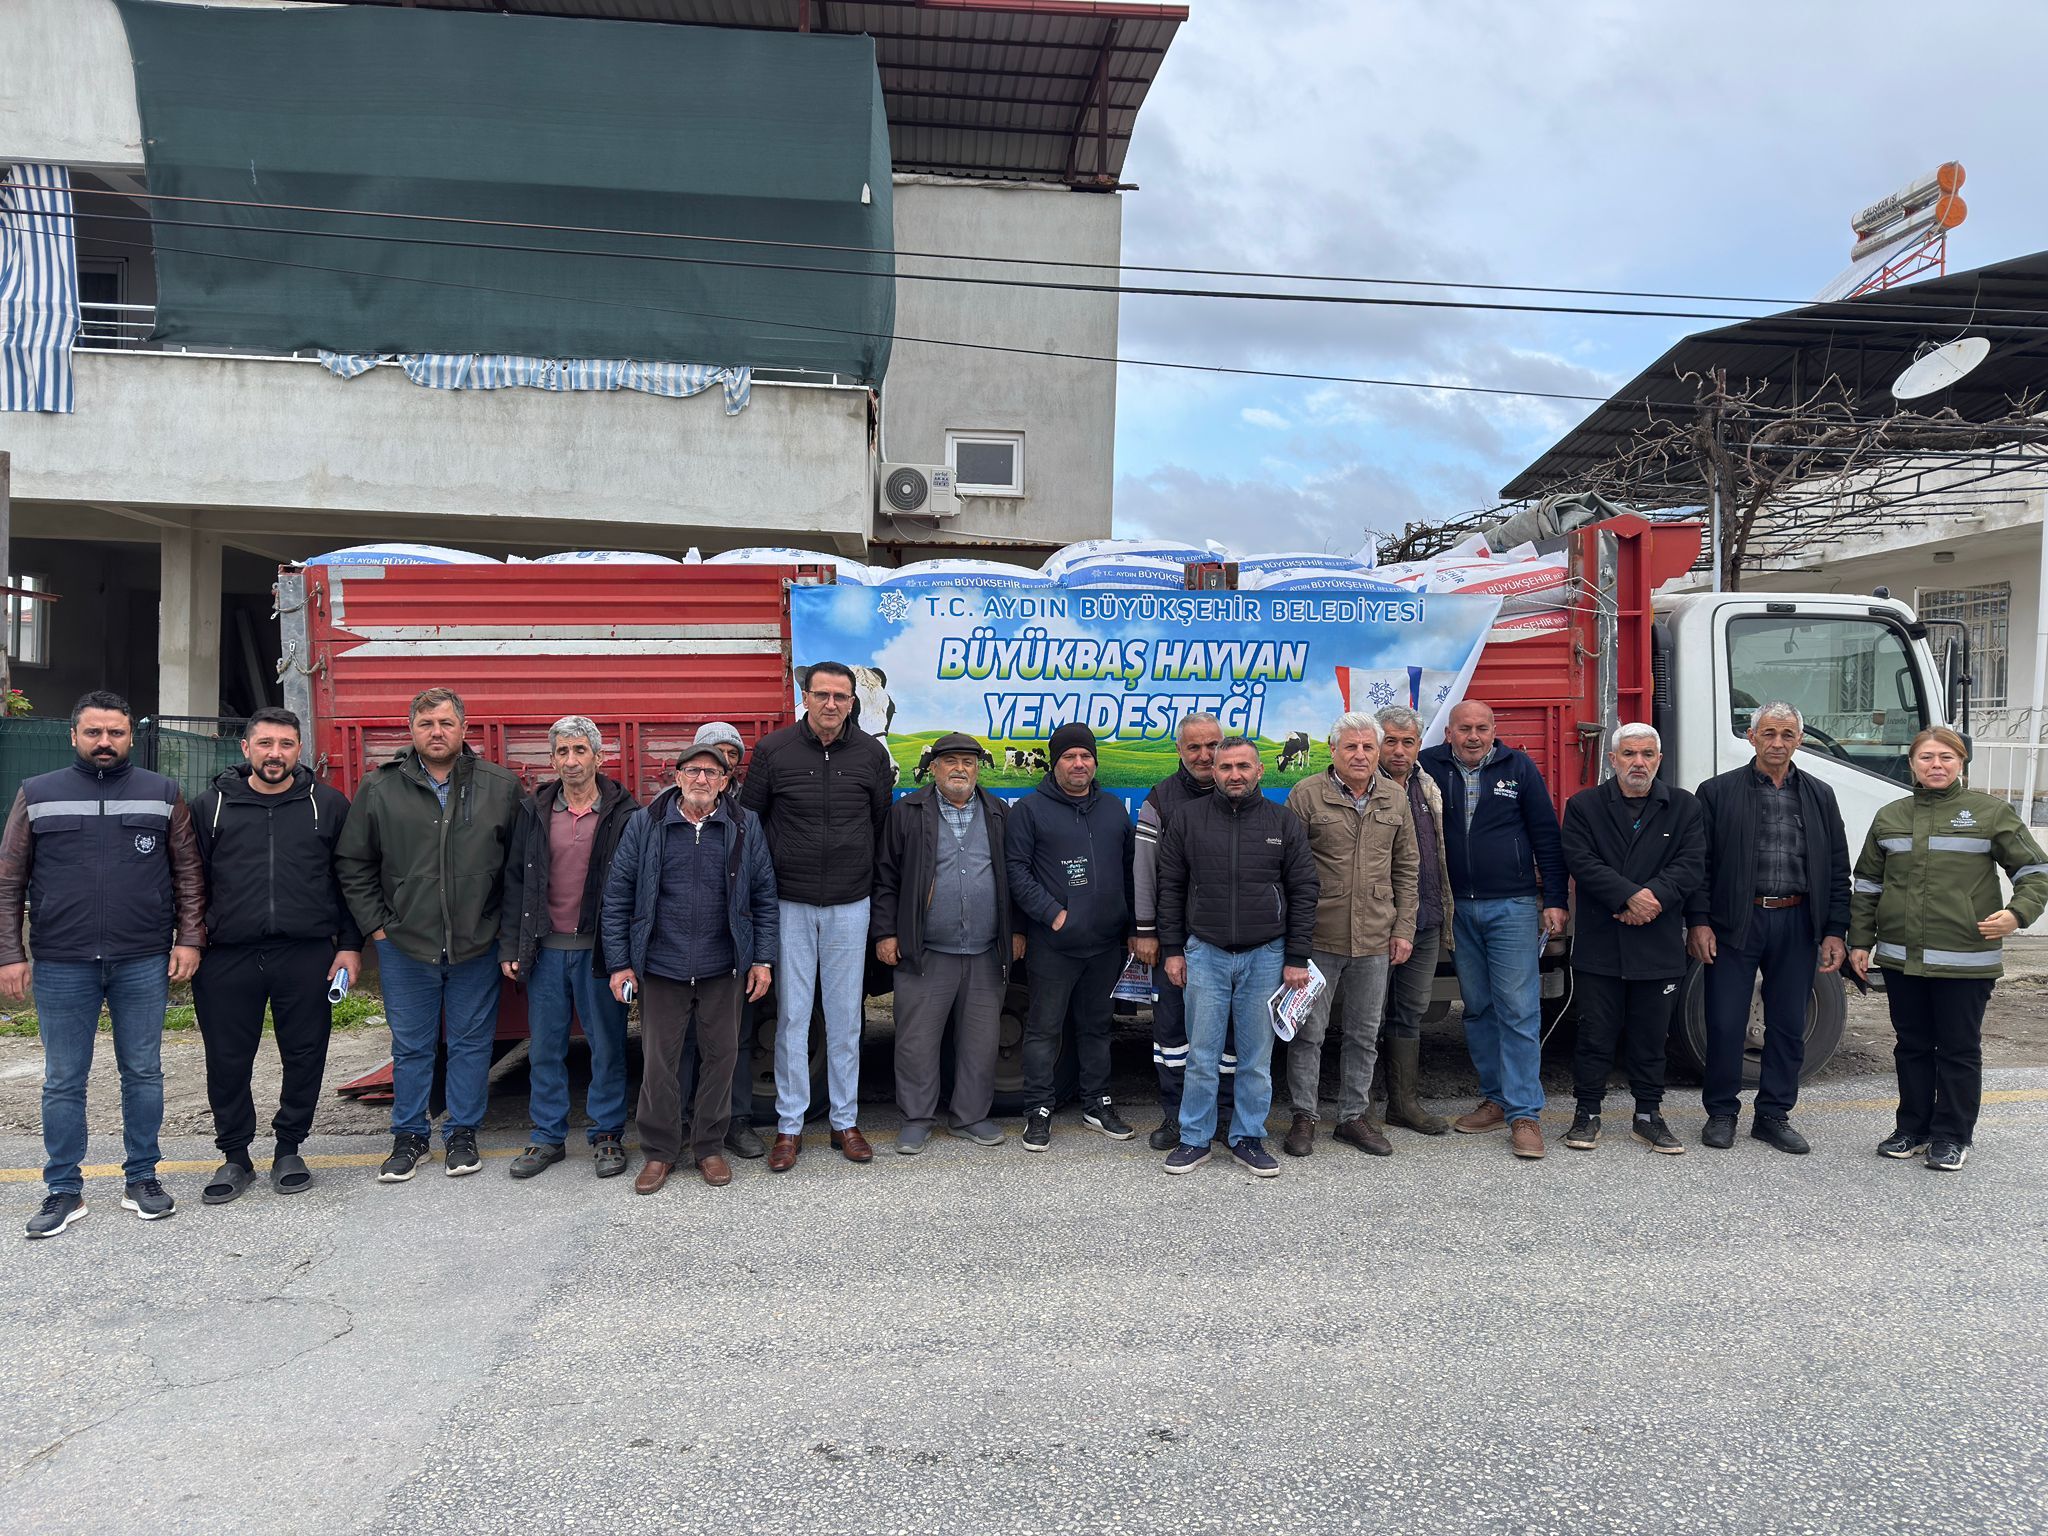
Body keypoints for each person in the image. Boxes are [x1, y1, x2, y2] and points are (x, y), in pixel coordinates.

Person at [0, 690, 205, 1238]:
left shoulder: (161, 793)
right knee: (64, 1079)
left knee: (143, 1071)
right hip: (63, 962)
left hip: (141, 958)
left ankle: (143, 1179)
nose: (104, 742)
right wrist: (9, 953)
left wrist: (189, 939)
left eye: (114, 732)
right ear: (74, 736)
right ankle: (63, 1189)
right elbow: (8, 880)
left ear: (129, 736)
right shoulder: (37, 794)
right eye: (93, 733)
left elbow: (188, 874)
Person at [335, 686, 521, 1183]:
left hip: (475, 944)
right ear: (411, 730)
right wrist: (377, 928)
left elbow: (519, 869)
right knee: (412, 1046)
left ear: (464, 728)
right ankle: (409, 1136)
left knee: (470, 1043)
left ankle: (462, 1133)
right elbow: (354, 862)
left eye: (445, 723)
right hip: (405, 944)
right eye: (425, 724)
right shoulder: (380, 787)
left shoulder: (499, 786)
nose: (436, 732)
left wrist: (503, 929)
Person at [1848, 726, 2048, 1172]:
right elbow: (1867, 886)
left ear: (1961, 763)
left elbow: (2035, 871)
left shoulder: (1990, 813)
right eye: (1926, 758)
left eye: (1945, 757)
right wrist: (1859, 942)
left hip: (1965, 959)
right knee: (1912, 1046)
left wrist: (2018, 914)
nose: (1935, 765)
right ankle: (1912, 1129)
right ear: (1912, 764)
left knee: (1958, 1049)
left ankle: (1952, 1136)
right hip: (1901, 958)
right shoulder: (1890, 816)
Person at [190, 707, 361, 1203]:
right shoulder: (210, 807)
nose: (275, 754)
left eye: (286, 744)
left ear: (299, 749)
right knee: (227, 1059)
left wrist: (350, 945)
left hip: (305, 953)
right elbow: (189, 881)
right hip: (226, 956)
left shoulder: (327, 805)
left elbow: (347, 882)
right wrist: (189, 941)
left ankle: (289, 1147)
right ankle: (235, 1157)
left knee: (305, 1054)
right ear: (245, 748)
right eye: (264, 744)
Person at [603, 741, 777, 1193]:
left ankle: (708, 1147)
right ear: (677, 777)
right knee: (659, 1063)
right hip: (662, 966)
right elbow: (618, 895)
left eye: (711, 773)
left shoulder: (743, 825)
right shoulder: (646, 824)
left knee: (721, 1059)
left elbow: (763, 896)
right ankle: (660, 1152)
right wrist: (621, 963)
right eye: (693, 771)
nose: (702, 779)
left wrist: (762, 958)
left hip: (724, 966)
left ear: (724, 782)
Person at [740, 662, 892, 1171]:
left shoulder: (871, 754)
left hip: (851, 903)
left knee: (847, 1019)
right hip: (789, 903)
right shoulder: (773, 751)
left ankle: (845, 1122)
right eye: (822, 694)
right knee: (792, 1019)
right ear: (804, 696)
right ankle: (789, 1127)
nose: (831, 704)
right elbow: (751, 823)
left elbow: (879, 824)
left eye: (841, 696)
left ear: (853, 703)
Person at [1687, 702, 1850, 1154]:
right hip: (1736, 922)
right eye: (1769, 733)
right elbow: (1699, 865)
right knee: (1724, 1021)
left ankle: (1774, 1115)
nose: (1778, 742)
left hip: (1799, 922)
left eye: (1787, 734)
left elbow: (1838, 867)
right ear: (1752, 736)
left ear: (1799, 740)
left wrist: (1835, 929)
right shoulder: (1717, 792)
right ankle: (1721, 1112)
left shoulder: (1819, 795)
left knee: (1787, 1023)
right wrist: (1699, 921)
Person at [1157, 736, 1318, 1176]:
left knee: (1255, 1059)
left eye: (1243, 767)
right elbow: (1169, 888)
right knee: (1202, 1056)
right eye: (1226, 767)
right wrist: (1173, 950)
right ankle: (1194, 1139)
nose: (1234, 775)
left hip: (1267, 955)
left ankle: (1248, 1137)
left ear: (1259, 771)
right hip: (1204, 953)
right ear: (1214, 772)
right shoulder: (1188, 820)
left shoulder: (1282, 822)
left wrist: (1297, 956)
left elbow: (1305, 890)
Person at [1421, 700, 1568, 1160]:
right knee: (1477, 1008)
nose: (1473, 736)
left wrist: (1557, 900)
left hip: (1513, 905)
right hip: (1456, 908)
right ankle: (1496, 1099)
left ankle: (1525, 1114)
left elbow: (1545, 833)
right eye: (1464, 728)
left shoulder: (1518, 767)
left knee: (1519, 1009)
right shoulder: (1428, 767)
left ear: (1493, 731)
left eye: (1482, 728)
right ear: (1449, 732)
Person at [500, 716, 638, 1181]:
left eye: (581, 750)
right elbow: (516, 881)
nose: (571, 760)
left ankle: (606, 1135)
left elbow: (638, 885)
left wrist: (629, 954)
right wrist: (512, 945)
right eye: (562, 752)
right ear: (552, 759)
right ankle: (546, 1137)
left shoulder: (624, 811)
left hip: (601, 953)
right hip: (545, 951)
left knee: (607, 1047)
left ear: (599, 757)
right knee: (545, 1048)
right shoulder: (534, 810)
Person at [1558, 724, 1707, 1155]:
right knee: (1595, 1034)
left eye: (1646, 754)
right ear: (1612, 760)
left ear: (1658, 760)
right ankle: (1587, 1114)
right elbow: (1580, 860)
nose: (1637, 762)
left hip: (1656, 940)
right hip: (1601, 940)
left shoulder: (1683, 806)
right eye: (1628, 754)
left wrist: (1652, 898)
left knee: (1650, 1034)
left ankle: (1649, 1115)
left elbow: (1691, 862)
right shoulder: (1585, 806)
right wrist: (1628, 895)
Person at [871, 732, 1022, 1153]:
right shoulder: (907, 812)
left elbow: (1014, 877)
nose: (960, 769)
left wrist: (1017, 930)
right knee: (917, 1040)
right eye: (951, 761)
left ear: (979, 768)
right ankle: (917, 1119)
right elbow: (886, 877)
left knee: (980, 1040)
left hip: (985, 950)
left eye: (969, 762)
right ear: (933, 767)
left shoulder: (998, 812)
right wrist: (886, 932)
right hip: (926, 950)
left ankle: (970, 1116)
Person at [1282, 713, 1417, 1158]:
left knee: (1364, 1033)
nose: (1360, 755)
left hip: (1376, 937)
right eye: (1351, 747)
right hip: (1318, 937)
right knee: (1308, 1032)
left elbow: (1407, 869)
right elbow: (1286, 872)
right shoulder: (1306, 795)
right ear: (1333, 750)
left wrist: (1403, 929)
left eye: (1368, 748)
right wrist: (1293, 939)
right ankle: (1304, 1116)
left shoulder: (1395, 797)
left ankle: (1353, 1118)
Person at [1004, 722, 1137, 1151]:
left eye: (1085, 756)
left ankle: (1097, 1103)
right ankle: (1038, 1111)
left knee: (1097, 1028)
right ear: (1055, 762)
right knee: (1043, 1031)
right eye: (1068, 757)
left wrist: (1133, 926)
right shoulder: (1029, 810)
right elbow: (1016, 872)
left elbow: (1131, 873)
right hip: (1055, 945)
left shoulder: (1114, 808)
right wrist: (1052, 914)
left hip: (1104, 946)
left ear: (1094, 761)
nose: (1078, 764)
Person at [1130, 712, 1223, 1150]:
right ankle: (1176, 1116)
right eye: (1194, 747)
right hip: (1174, 941)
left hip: (1228, 942)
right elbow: (1144, 873)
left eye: (1211, 746)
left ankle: (1219, 1117)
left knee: (1224, 1039)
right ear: (1179, 751)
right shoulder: (1161, 800)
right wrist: (1147, 932)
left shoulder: (1242, 792)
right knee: (1172, 1035)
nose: (1204, 755)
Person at [674, 721, 766, 1160]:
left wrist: (759, 953)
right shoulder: (666, 812)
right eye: (712, 753)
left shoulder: (748, 814)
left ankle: (736, 1120)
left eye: (731, 754)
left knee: (735, 1041)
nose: (721, 762)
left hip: (732, 952)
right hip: (678, 957)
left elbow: (762, 888)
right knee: (684, 1043)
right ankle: (684, 1122)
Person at [1375, 706, 1453, 1136]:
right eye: (1391, 741)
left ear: (1419, 744)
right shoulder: (1368, 787)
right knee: (1366, 1015)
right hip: (1378, 923)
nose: (1400, 750)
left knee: (1410, 1012)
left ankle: (1403, 1104)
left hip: (1426, 919)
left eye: (1408, 742)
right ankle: (1358, 1108)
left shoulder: (1427, 785)